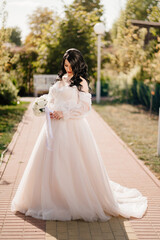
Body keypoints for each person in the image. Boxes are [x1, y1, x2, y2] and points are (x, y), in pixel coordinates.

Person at [11, 48, 147, 221]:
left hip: (72, 128)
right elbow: (53, 99)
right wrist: (48, 108)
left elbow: (84, 108)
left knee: (72, 164)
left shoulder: (81, 82)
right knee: (50, 164)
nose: (68, 69)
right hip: (53, 128)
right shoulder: (61, 79)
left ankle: (72, 200)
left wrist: (64, 114)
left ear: (78, 64)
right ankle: (50, 198)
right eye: (66, 65)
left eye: (71, 65)